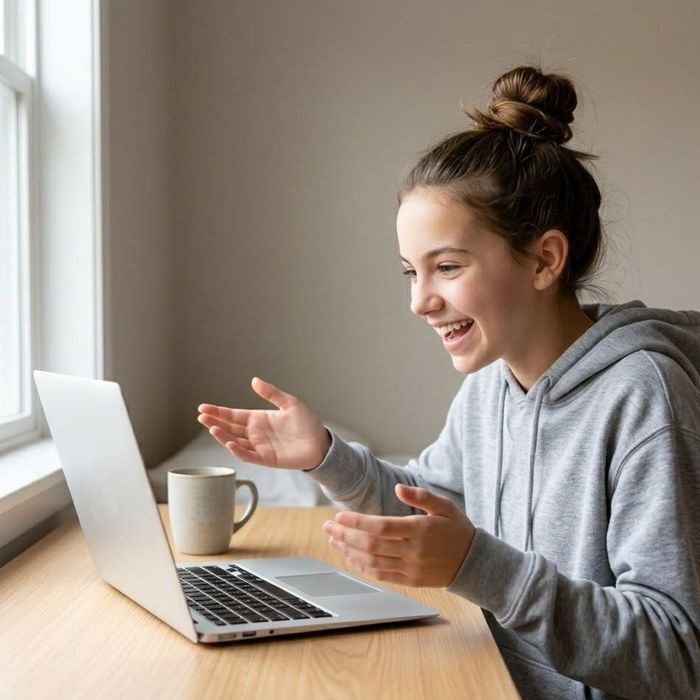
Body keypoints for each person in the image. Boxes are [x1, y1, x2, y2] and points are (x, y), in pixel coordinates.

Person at [197, 65, 700, 699]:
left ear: (545, 259)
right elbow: (428, 503)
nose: (420, 301)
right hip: (486, 679)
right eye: (411, 272)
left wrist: (479, 568)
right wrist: (325, 456)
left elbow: (678, 657)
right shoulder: (491, 385)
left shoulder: (644, 399)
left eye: (448, 267)